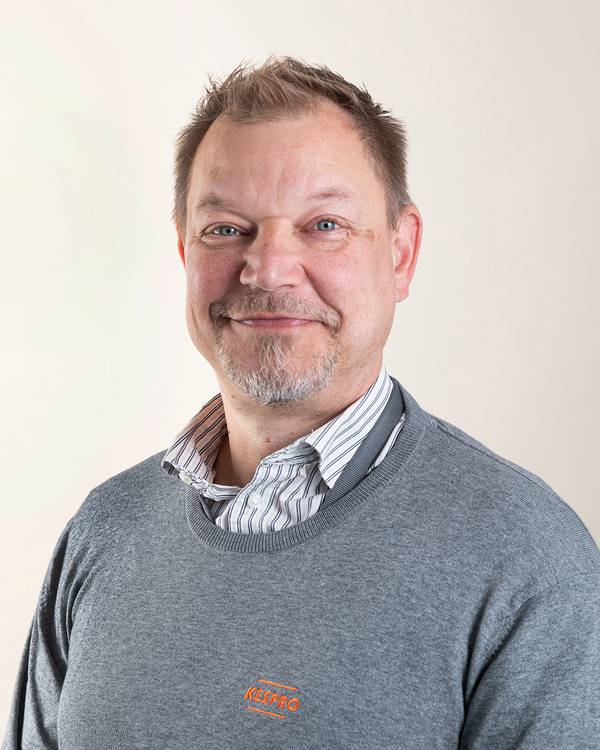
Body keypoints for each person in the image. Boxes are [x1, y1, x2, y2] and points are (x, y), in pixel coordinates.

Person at [3, 57, 599, 750]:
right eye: (226, 229)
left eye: (324, 224)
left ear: (401, 254)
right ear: (184, 251)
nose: (268, 268)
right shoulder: (104, 531)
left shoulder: (526, 558)